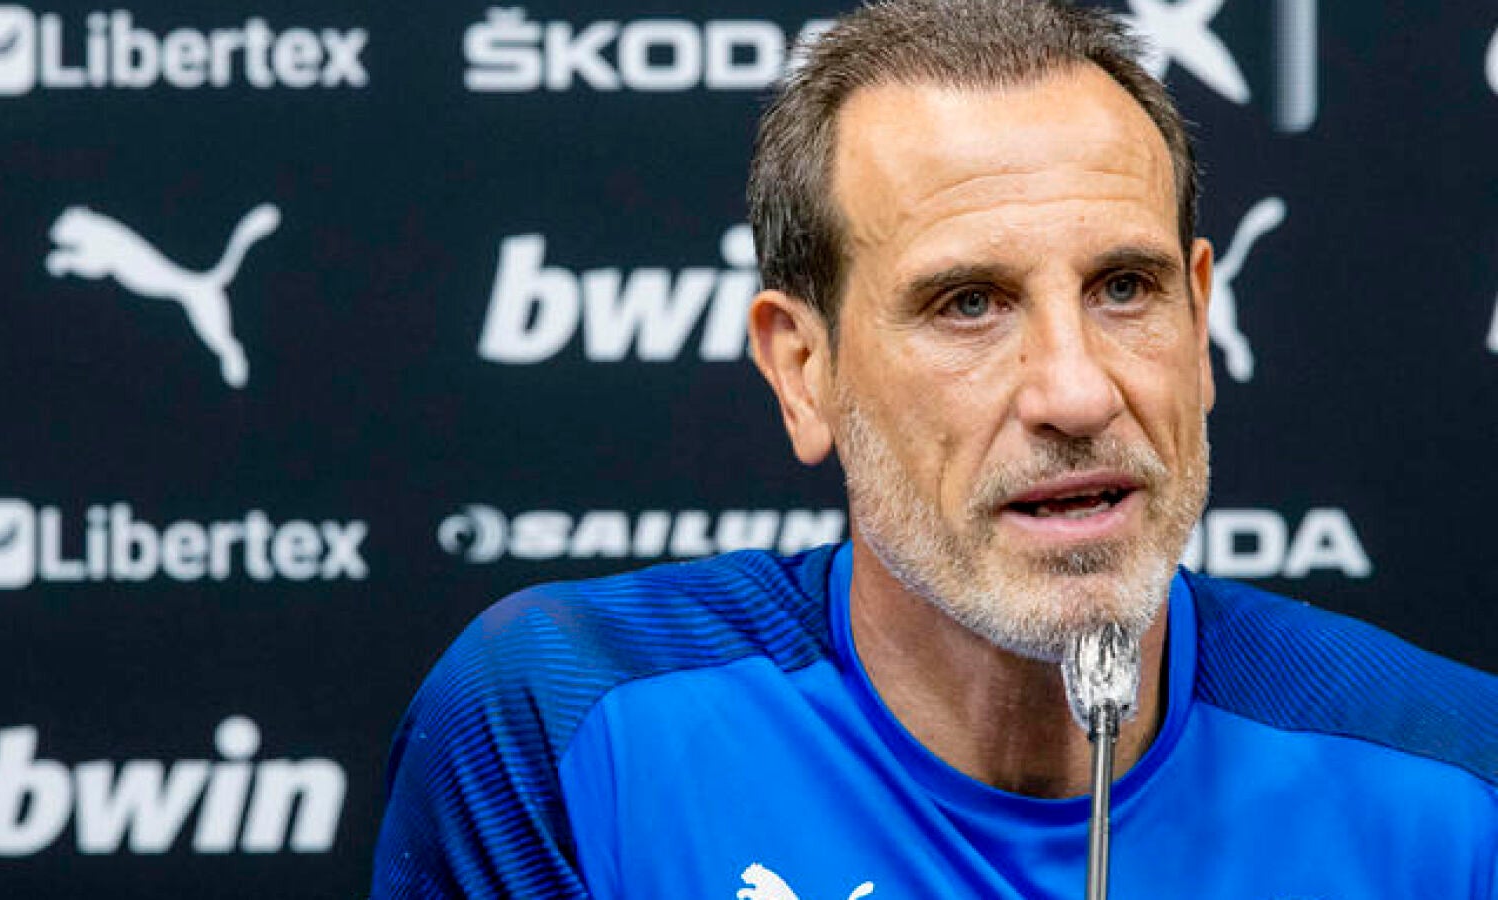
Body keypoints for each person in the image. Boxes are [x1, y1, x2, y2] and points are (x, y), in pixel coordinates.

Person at [372, 1, 1498, 896]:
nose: (1074, 393)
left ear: (1200, 326)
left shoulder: (1453, 778)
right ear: (802, 371)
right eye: (968, 304)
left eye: (1123, 288)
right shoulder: (568, 724)